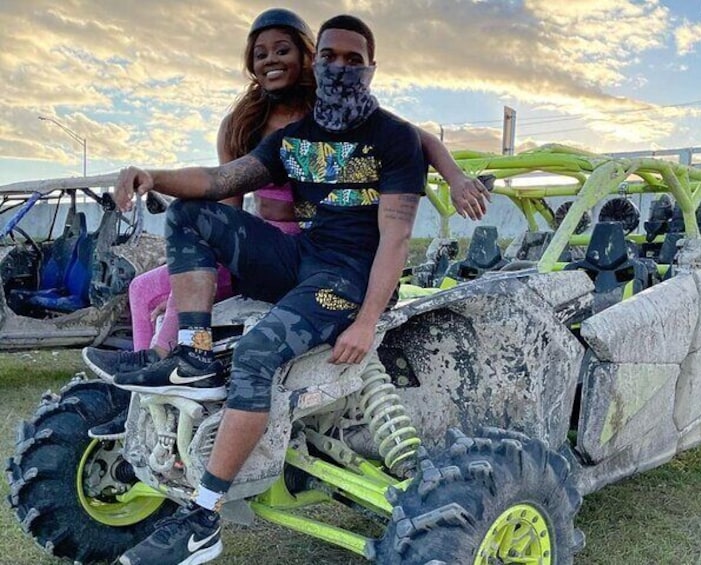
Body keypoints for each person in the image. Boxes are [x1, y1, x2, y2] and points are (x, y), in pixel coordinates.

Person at [111, 15, 435, 565]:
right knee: (193, 214)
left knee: (258, 356)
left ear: (372, 67)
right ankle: (193, 352)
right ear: (319, 61)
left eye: (354, 59)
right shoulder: (294, 138)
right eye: (331, 56)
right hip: (300, 258)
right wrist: (151, 175)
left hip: (347, 277)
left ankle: (204, 517)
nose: (341, 67)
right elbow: (219, 182)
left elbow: (396, 238)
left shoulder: (395, 140)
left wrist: (365, 320)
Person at [82, 8, 490, 394]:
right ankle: (147, 378)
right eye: (260, 54)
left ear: (307, 57)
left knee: (189, 304)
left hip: (313, 244)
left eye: (283, 50)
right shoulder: (243, 123)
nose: (271, 60)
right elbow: (224, 189)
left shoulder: (329, 109)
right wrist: (203, 255)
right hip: (261, 241)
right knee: (146, 289)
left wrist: (455, 177)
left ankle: (164, 361)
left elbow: (413, 137)